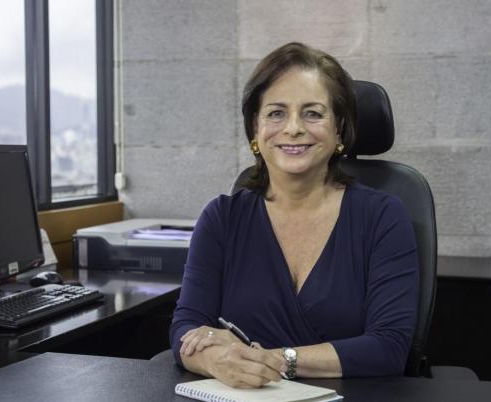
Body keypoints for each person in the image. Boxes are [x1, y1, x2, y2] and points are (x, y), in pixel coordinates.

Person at [169, 42, 419, 388]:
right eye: (276, 113)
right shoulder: (221, 218)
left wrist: (272, 360)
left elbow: (389, 347)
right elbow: (186, 329)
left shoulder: (383, 217)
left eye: (313, 113)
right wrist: (216, 360)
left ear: (339, 128)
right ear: (255, 129)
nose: (293, 128)